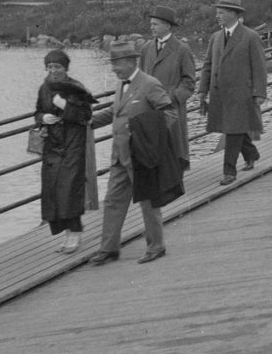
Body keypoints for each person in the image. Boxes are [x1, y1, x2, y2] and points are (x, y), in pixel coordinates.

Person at [90, 41, 178, 266]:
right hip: (120, 155)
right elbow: (116, 111)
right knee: (112, 201)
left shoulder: (149, 84)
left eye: (117, 64)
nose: (113, 69)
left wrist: (145, 134)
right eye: (112, 64)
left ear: (130, 62)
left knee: (148, 202)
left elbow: (170, 113)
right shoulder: (121, 84)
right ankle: (109, 248)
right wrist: (88, 121)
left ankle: (156, 246)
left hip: (141, 155)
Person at [199, 0, 267, 185]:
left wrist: (260, 92)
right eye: (217, 12)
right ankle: (251, 153)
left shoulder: (250, 37)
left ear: (233, 14)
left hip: (241, 94)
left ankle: (229, 171)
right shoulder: (215, 38)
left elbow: (259, 67)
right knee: (234, 128)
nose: (217, 16)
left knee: (232, 130)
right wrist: (202, 91)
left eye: (221, 12)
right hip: (220, 94)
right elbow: (207, 65)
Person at [35, 49, 95, 253]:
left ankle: (75, 232)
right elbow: (37, 111)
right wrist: (43, 118)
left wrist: (65, 107)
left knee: (69, 189)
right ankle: (67, 231)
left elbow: (85, 115)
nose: (53, 71)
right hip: (52, 146)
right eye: (50, 67)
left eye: (57, 67)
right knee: (53, 190)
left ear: (66, 68)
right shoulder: (44, 88)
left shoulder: (76, 88)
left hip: (72, 144)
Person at [140, 5, 196, 171]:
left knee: (174, 144)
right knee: (154, 145)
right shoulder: (146, 49)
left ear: (168, 26)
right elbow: (140, 77)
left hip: (171, 107)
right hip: (150, 107)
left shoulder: (181, 49)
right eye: (151, 24)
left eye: (155, 24)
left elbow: (189, 81)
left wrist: (174, 97)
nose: (152, 27)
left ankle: (176, 173)